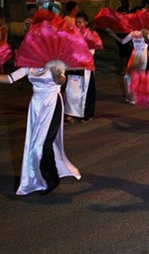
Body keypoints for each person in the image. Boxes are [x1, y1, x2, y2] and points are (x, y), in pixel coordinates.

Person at [0, 61, 81, 195]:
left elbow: (61, 81)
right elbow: (10, 78)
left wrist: (56, 73)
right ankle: (41, 175)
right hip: (36, 105)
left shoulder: (56, 63)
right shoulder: (30, 63)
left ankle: (50, 179)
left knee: (42, 144)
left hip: (52, 104)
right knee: (36, 143)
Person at [64, 13, 98, 122]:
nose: (78, 24)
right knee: (71, 90)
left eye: (80, 22)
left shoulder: (90, 36)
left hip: (85, 67)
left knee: (84, 90)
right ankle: (70, 114)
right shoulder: (71, 34)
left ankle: (85, 114)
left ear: (86, 23)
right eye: (76, 22)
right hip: (72, 66)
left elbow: (91, 53)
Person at [109, 27, 149, 104]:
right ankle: (129, 95)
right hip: (135, 55)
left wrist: (145, 36)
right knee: (127, 76)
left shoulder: (146, 32)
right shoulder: (133, 33)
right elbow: (123, 42)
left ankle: (137, 96)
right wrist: (113, 35)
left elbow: (148, 42)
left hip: (143, 55)